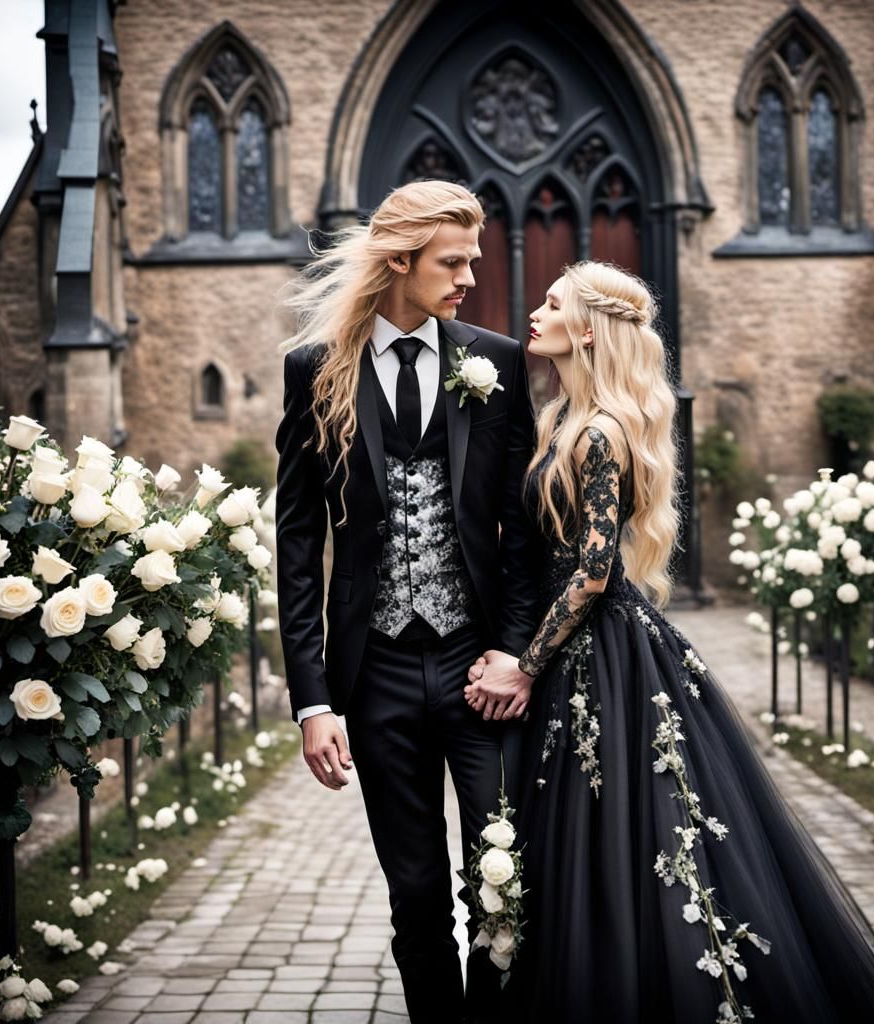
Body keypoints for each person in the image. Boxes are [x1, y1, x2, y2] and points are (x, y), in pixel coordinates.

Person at [464, 261, 874, 1023]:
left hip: (601, 653)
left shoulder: (604, 433)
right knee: (587, 836)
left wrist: (525, 662)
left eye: (551, 304)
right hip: (577, 654)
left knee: (637, 833)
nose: (535, 312)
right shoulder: (561, 420)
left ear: (586, 329)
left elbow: (590, 575)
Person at [274, 180, 539, 1024]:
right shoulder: (315, 372)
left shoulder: (494, 362)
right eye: (453, 262)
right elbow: (296, 547)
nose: (468, 278)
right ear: (401, 261)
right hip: (378, 673)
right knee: (417, 893)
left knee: (499, 883)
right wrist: (314, 702)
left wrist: (519, 653)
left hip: (478, 670)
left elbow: (524, 533)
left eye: (472, 261)